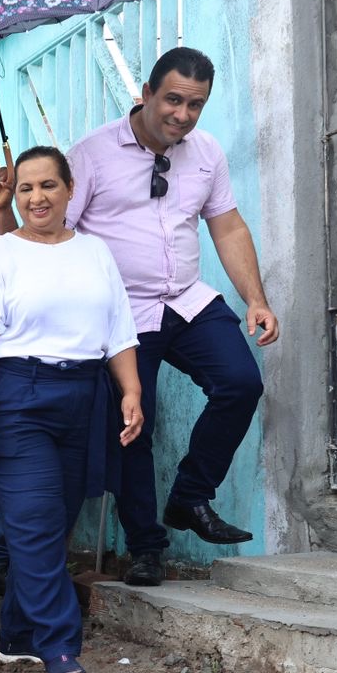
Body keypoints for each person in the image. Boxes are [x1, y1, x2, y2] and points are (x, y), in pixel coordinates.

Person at [67, 47, 275, 587]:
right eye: (173, 100)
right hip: (122, 313)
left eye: (195, 105)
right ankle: (146, 548)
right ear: (147, 94)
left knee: (240, 382)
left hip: (186, 299)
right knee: (136, 426)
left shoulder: (206, 153)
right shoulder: (91, 155)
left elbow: (227, 227)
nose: (182, 115)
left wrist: (255, 298)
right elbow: (57, 235)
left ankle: (190, 496)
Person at [0, 145, 143, 673]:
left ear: (69, 190)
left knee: (52, 524)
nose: (37, 198)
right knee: (35, 519)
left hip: (84, 396)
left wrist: (131, 390)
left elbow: (119, 330)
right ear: (15, 194)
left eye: (48, 186)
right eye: (26, 188)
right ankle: (60, 647)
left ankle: (17, 635)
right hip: (19, 395)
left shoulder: (95, 252)